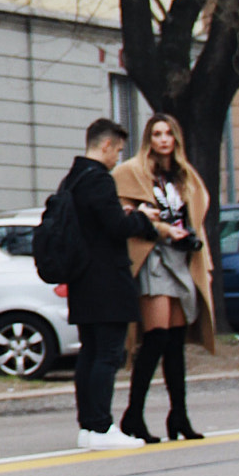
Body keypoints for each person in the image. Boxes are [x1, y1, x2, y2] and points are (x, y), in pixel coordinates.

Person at [56, 116, 174, 450]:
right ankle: (102, 427)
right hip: (106, 279)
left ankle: (88, 427)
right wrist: (140, 217)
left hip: (82, 280)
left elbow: (93, 223)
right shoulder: (99, 180)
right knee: (107, 355)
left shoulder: (72, 180)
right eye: (117, 151)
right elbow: (114, 228)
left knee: (90, 353)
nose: (117, 157)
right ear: (105, 145)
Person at [113, 113, 216, 441]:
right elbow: (120, 208)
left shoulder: (184, 175)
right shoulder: (132, 171)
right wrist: (153, 223)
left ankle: (179, 417)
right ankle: (133, 416)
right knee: (155, 338)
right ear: (149, 138)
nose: (163, 139)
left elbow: (197, 215)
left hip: (180, 257)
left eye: (168, 133)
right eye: (156, 133)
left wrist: (200, 253)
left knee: (174, 342)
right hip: (152, 255)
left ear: (176, 138)